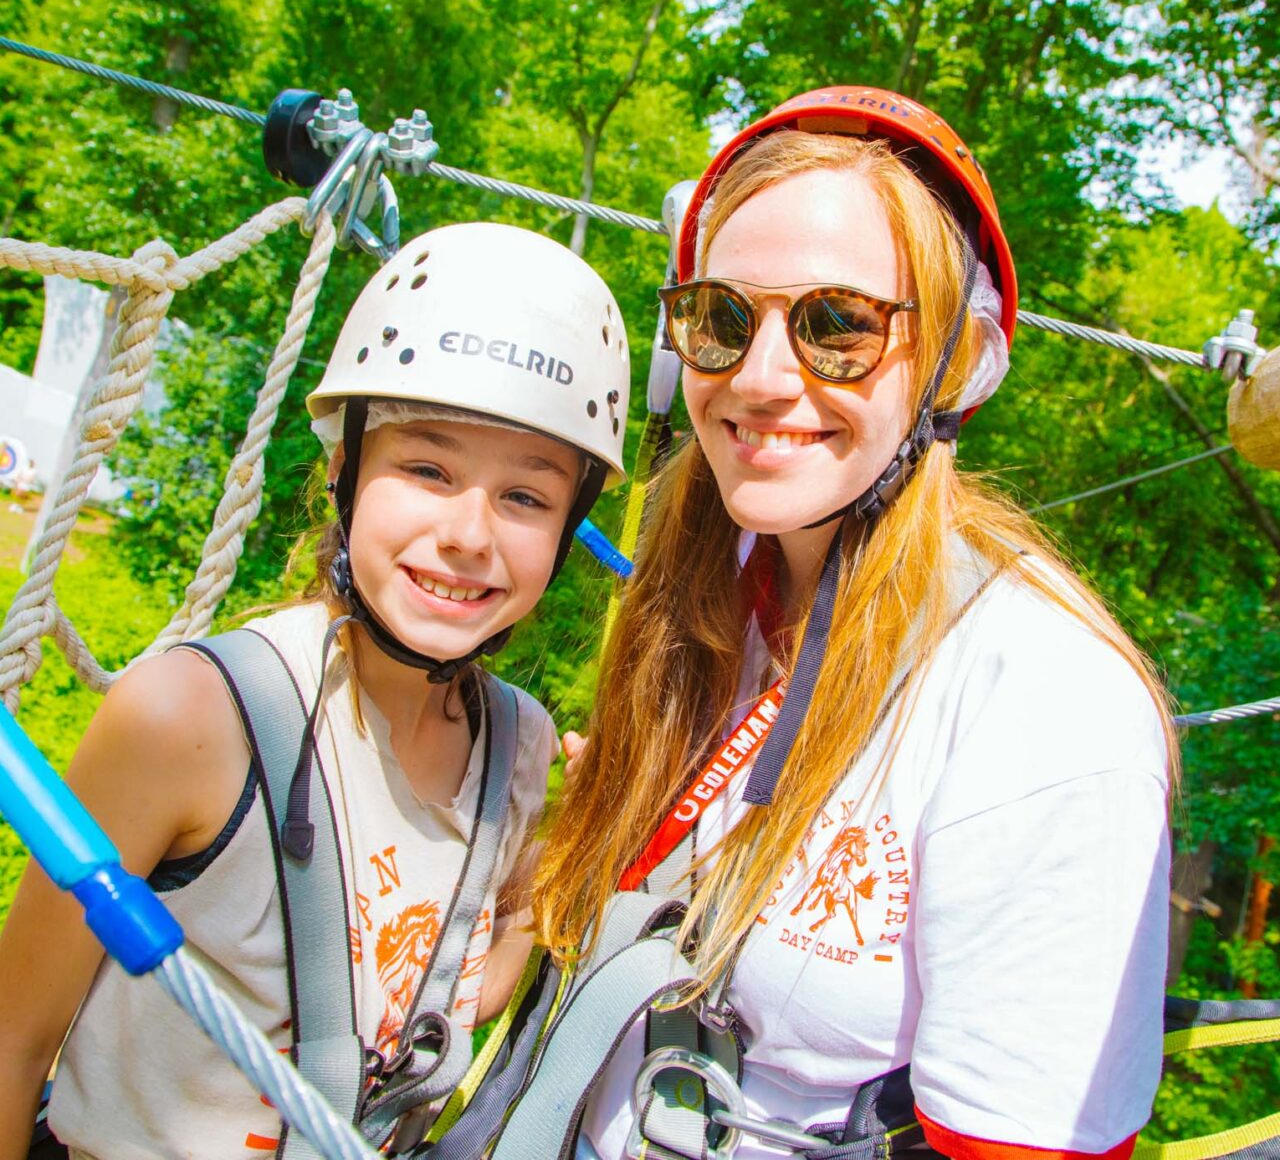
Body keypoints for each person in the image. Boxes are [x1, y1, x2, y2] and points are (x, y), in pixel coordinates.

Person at [532, 88, 1175, 1159]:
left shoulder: (1042, 704)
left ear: (953, 362)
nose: (760, 376)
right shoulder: (703, 598)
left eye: (837, 325)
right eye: (718, 319)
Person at [0, 221, 629, 1159]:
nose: (470, 532)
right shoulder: (193, 718)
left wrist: (571, 868)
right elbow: (14, 1035)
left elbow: (455, 977)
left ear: (568, 526)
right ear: (345, 472)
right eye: (426, 468)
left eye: (526, 497)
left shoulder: (520, 750)